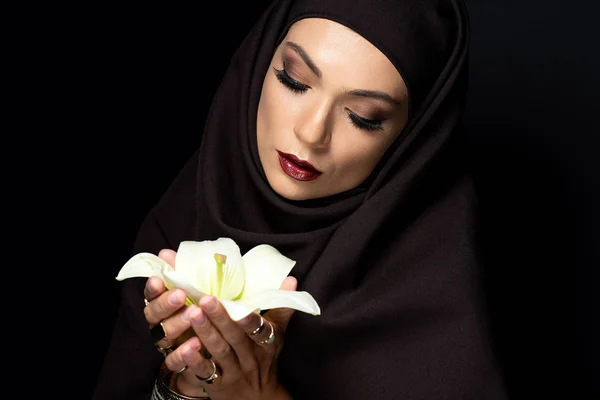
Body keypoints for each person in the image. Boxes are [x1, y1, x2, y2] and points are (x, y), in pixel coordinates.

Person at [91, 0, 510, 398]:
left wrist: (256, 396)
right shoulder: (179, 227)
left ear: (411, 139)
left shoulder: (433, 300)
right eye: (294, 80)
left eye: (363, 117)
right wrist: (187, 384)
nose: (312, 133)